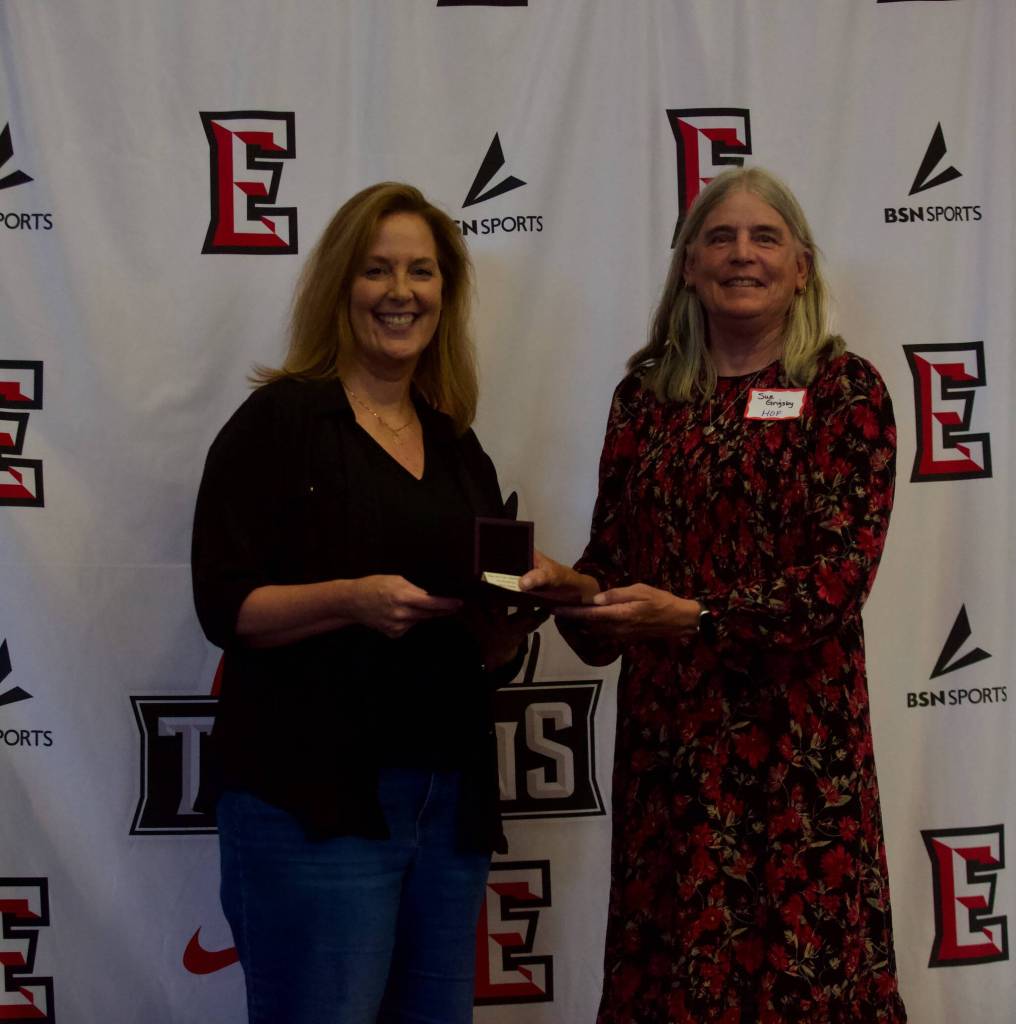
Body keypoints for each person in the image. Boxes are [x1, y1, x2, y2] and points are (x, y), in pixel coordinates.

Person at [522, 167, 907, 1023]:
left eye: (765, 237)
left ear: (801, 266)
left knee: (801, 983)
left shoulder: (848, 393)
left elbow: (837, 585)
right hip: (671, 758)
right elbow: (615, 571)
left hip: (799, 761)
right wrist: (566, 589)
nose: (743, 254)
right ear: (687, 266)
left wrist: (696, 617)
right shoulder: (646, 401)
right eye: (720, 238)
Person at [191, 182, 540, 1024]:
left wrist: (511, 621)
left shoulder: (459, 445)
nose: (401, 291)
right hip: (313, 800)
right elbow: (224, 608)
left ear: (444, 294)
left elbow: (492, 618)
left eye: (422, 271)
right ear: (340, 285)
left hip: (448, 802)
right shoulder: (279, 422)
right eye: (377, 269)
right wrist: (350, 600)